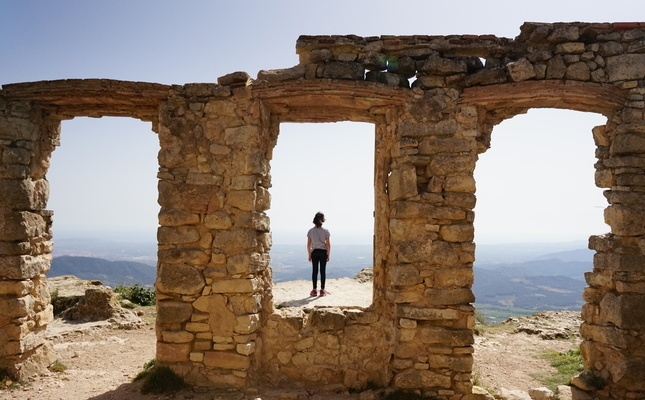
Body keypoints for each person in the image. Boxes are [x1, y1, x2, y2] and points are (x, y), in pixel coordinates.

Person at [307, 211, 331, 297]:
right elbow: (328, 244)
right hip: (323, 252)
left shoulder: (310, 231)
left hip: (314, 252)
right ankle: (322, 290)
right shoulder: (326, 231)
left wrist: (309, 254)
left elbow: (309, 244)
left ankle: (314, 290)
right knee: (322, 271)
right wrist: (328, 254)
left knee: (315, 271)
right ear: (322, 220)